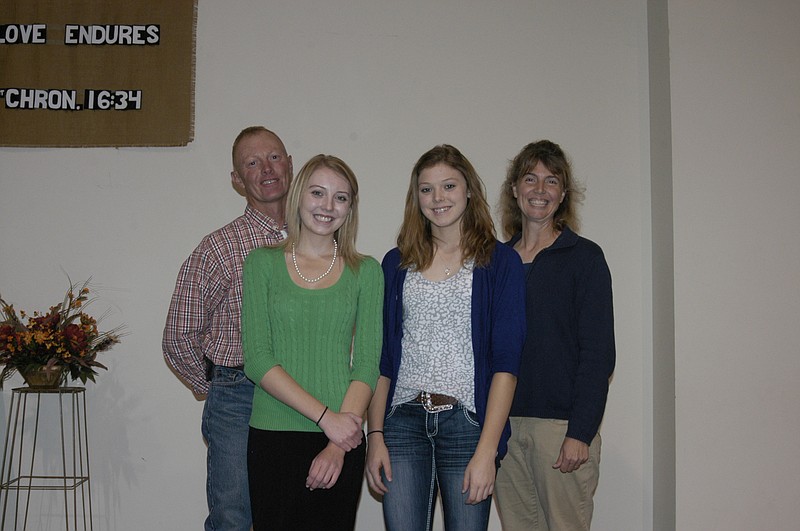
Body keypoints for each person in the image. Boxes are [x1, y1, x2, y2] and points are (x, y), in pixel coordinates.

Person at [365, 144, 526, 531]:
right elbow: (383, 360)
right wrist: (375, 437)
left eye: (449, 186)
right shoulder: (396, 263)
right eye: (427, 189)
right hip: (402, 424)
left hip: (467, 426)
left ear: (469, 190)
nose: (438, 198)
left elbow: (507, 363)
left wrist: (488, 450)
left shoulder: (500, 263)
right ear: (416, 197)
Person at [241, 154, 383, 530]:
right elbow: (257, 359)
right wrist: (326, 419)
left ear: (350, 208)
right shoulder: (261, 263)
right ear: (299, 195)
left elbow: (367, 363)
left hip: (341, 439)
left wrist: (338, 443)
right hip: (274, 436)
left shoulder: (366, 271)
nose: (327, 206)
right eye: (318, 193)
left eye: (341, 197)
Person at [162, 126, 292, 531]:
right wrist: (217, 384)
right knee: (234, 515)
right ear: (238, 180)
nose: (266, 169)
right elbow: (179, 334)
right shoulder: (219, 247)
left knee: (294, 512)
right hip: (240, 398)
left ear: (290, 164)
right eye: (251, 163)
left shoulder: (321, 241)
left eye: (273, 157)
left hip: (303, 396)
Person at [493, 140, 616, 531]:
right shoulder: (497, 262)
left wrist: (580, 432)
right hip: (505, 427)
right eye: (530, 179)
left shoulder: (585, 258)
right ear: (514, 189)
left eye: (551, 181)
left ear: (563, 194)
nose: (540, 190)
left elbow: (598, 354)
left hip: (561, 430)